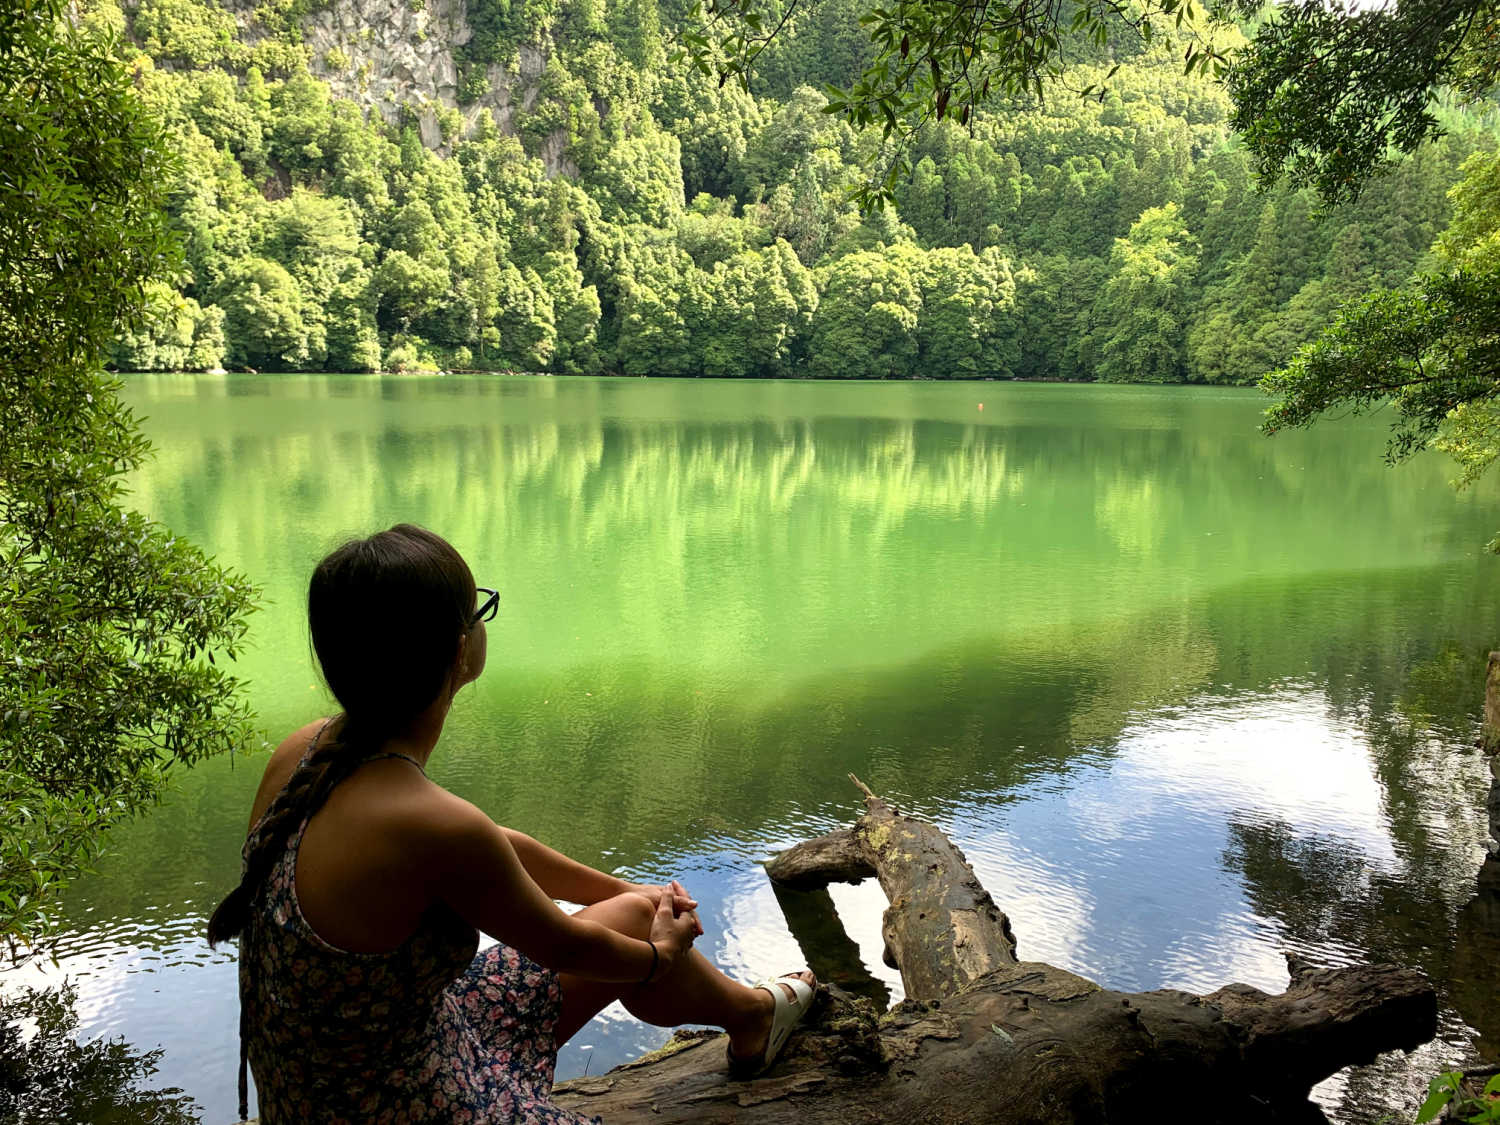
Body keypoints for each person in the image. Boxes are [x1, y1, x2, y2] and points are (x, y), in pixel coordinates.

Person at [207, 524, 815, 1124]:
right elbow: (567, 944)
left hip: (375, 1059)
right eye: (479, 611)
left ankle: (753, 1016)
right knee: (632, 940)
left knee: (629, 917)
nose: (481, 624)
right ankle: (752, 1012)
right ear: (456, 649)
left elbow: (501, 850)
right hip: (396, 1105)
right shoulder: (431, 825)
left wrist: (635, 895)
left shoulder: (307, 751)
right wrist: (659, 955)